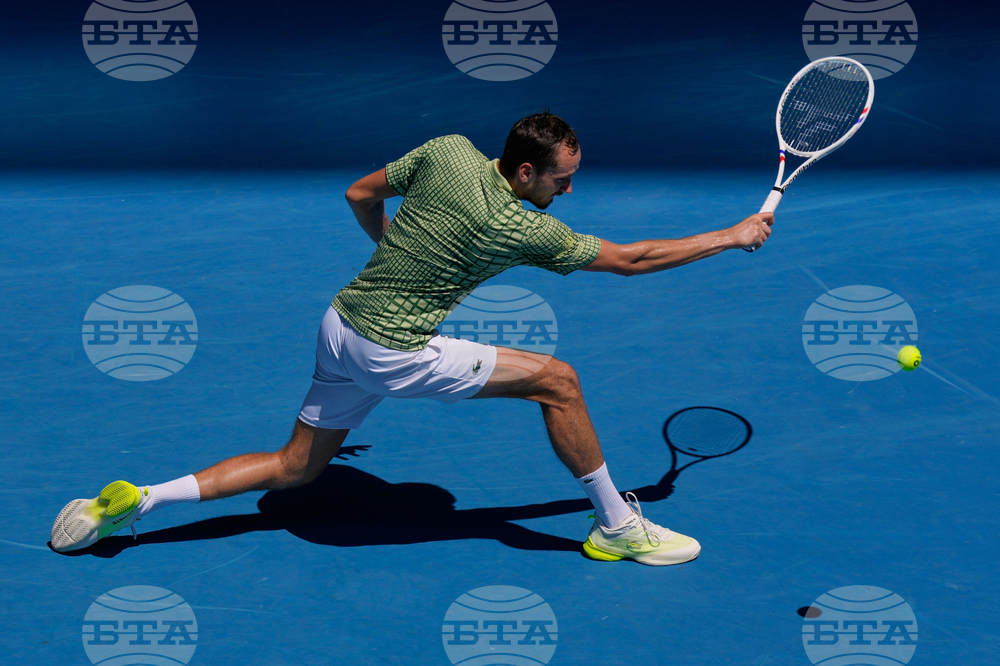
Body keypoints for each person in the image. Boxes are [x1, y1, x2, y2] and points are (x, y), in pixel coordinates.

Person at [51, 112, 773, 565]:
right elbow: (630, 260)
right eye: (561, 180)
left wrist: (391, 248)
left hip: (340, 326)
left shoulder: (451, 149)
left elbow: (360, 194)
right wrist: (732, 236)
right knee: (559, 380)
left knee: (297, 468)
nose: (568, 193)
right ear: (527, 172)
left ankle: (137, 499)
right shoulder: (522, 225)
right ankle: (615, 524)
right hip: (391, 350)